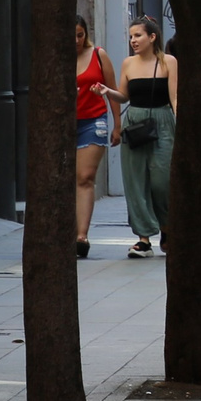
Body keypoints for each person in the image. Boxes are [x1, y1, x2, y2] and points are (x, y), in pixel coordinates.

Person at [117, 17, 177, 259]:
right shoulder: (128, 64)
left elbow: (174, 97)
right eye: (131, 36)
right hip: (135, 122)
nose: (133, 41)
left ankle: (166, 227)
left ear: (152, 37)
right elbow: (123, 96)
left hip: (162, 121)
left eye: (138, 35)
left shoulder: (169, 61)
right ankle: (143, 239)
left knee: (162, 180)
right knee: (135, 181)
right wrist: (107, 92)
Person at [72, 17, 126, 258]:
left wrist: (117, 125)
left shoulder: (98, 55)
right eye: (72, 35)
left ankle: (81, 236)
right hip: (61, 125)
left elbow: (113, 90)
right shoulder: (53, 56)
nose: (76, 40)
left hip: (93, 121)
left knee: (85, 177)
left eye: (80, 34)